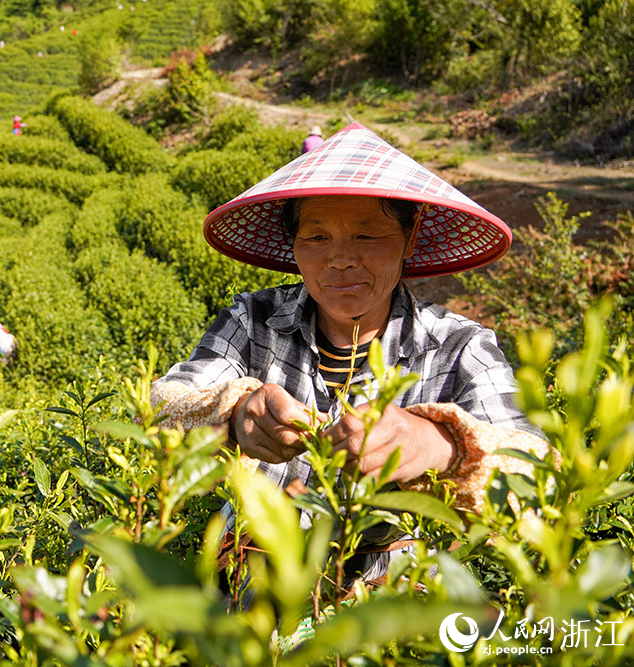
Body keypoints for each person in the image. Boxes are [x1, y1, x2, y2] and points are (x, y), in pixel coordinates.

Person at [151, 122, 556, 584]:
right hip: (252, 578)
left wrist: (436, 445)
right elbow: (163, 406)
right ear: (294, 243)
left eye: (367, 237)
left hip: (392, 601)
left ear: (410, 236)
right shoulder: (252, 320)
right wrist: (232, 413)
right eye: (317, 238)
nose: (341, 260)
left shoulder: (459, 347)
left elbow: (536, 476)